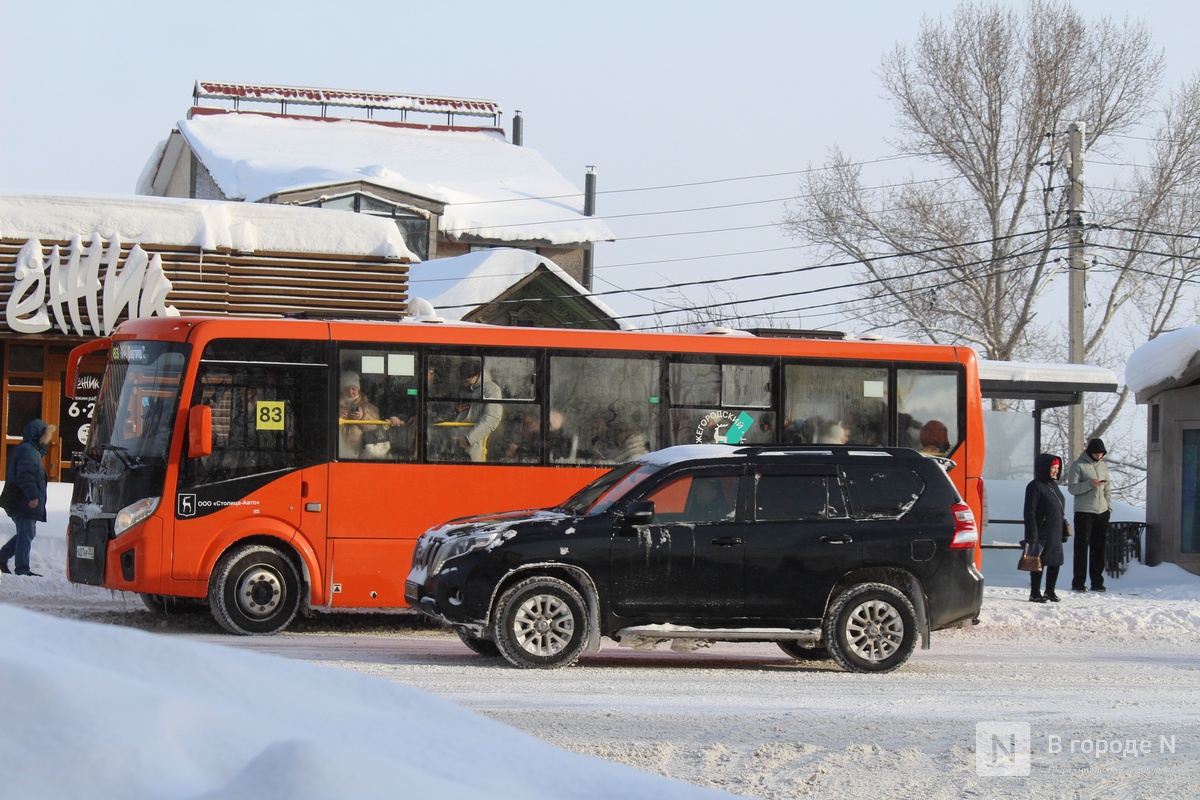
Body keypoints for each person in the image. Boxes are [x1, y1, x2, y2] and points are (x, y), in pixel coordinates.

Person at [0, 419, 56, 577]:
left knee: (26, 533)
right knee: (26, 534)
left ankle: (2, 557)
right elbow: (25, 475)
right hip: (23, 501)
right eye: (46, 436)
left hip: (20, 501)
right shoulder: (28, 451)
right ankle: (22, 569)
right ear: (39, 436)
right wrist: (33, 496)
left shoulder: (29, 450)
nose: (47, 440)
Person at [1068, 438, 1112, 592]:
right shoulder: (1078, 465)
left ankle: (1097, 582)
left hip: (1102, 512)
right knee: (1081, 548)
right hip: (1084, 512)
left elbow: (1108, 489)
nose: (1098, 456)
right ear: (1090, 452)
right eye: (1096, 453)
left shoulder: (1103, 467)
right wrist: (1089, 484)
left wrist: (1109, 508)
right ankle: (1078, 582)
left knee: (1098, 548)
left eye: (1101, 454)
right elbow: (1072, 488)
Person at [1023, 452, 1067, 603]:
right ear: (1043, 468)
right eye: (1052, 467)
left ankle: (1050, 591)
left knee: (1055, 561)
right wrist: (1032, 534)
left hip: (1054, 531)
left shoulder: (1053, 486)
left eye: (1057, 467)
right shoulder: (1035, 486)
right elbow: (1029, 512)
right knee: (1037, 562)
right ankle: (1035, 592)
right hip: (1040, 531)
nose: (1056, 470)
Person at [452, 362, 502, 462]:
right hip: (456, 439)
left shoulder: (491, 389)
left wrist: (468, 439)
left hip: (475, 442)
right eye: (462, 377)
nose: (463, 381)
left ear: (477, 375)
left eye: (467, 378)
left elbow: (492, 418)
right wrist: (456, 410)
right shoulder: (463, 388)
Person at [338, 371, 382, 459]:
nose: (350, 392)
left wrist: (363, 417)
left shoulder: (370, 408)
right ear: (341, 391)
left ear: (359, 389)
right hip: (337, 451)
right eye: (346, 389)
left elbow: (377, 429)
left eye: (353, 388)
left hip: (361, 455)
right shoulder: (333, 406)